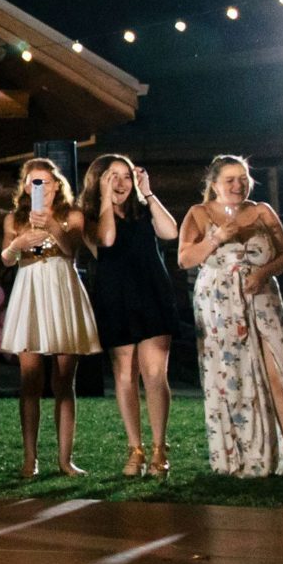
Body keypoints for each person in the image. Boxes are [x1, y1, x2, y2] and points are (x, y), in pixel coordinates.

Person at [177, 155, 283, 479]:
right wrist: (215, 239)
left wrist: (264, 272)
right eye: (230, 180)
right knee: (230, 378)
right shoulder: (198, 214)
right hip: (218, 305)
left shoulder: (262, 211)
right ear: (214, 184)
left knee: (278, 374)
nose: (238, 185)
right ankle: (240, 458)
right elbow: (184, 259)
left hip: (262, 299)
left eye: (243, 178)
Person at [78, 154, 184, 477]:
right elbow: (107, 240)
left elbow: (171, 232)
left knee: (155, 374)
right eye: (113, 177)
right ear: (98, 181)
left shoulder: (143, 210)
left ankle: (158, 449)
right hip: (116, 299)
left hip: (152, 295)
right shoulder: (89, 217)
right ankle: (135, 448)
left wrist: (148, 193)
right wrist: (107, 201)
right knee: (125, 374)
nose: (121, 183)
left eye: (126, 176)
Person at [0, 157, 99, 478]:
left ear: (57, 185)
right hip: (30, 290)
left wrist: (53, 227)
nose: (39, 187)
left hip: (62, 288)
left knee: (64, 379)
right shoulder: (14, 219)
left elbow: (71, 251)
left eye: (45, 182)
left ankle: (65, 459)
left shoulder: (73, 215)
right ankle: (30, 458)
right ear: (25, 186)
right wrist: (17, 243)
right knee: (30, 380)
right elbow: (7, 260)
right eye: (33, 182)